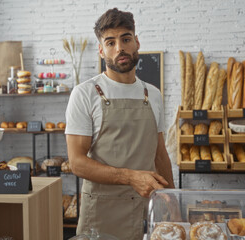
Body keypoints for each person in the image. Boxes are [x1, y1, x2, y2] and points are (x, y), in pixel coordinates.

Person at [65, 8, 175, 240]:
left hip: (146, 209)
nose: (119, 48)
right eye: (110, 42)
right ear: (101, 50)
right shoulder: (85, 94)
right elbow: (77, 163)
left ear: (136, 42)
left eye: (125, 39)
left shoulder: (152, 94)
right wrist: (131, 177)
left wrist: (173, 202)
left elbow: (160, 154)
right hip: (101, 215)